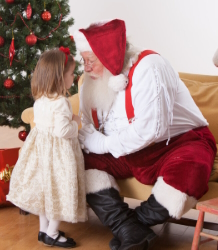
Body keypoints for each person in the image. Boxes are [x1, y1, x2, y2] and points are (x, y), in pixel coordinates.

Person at [73, 19, 217, 250]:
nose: (86, 68)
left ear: (109, 57)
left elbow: (151, 130)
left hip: (178, 143)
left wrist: (103, 143)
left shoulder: (150, 67)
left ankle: (132, 225)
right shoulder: (88, 84)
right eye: (84, 60)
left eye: (91, 60)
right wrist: (94, 142)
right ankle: (129, 229)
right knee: (77, 161)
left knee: (191, 171)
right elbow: (89, 126)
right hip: (123, 150)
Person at [7, 47, 87, 248]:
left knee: (45, 192)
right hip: (58, 155)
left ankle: (43, 230)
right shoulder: (61, 102)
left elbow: (48, 123)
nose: (73, 77)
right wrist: (76, 125)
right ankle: (52, 233)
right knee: (60, 191)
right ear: (60, 78)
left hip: (40, 153)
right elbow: (62, 131)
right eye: (71, 74)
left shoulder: (41, 99)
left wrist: (70, 118)